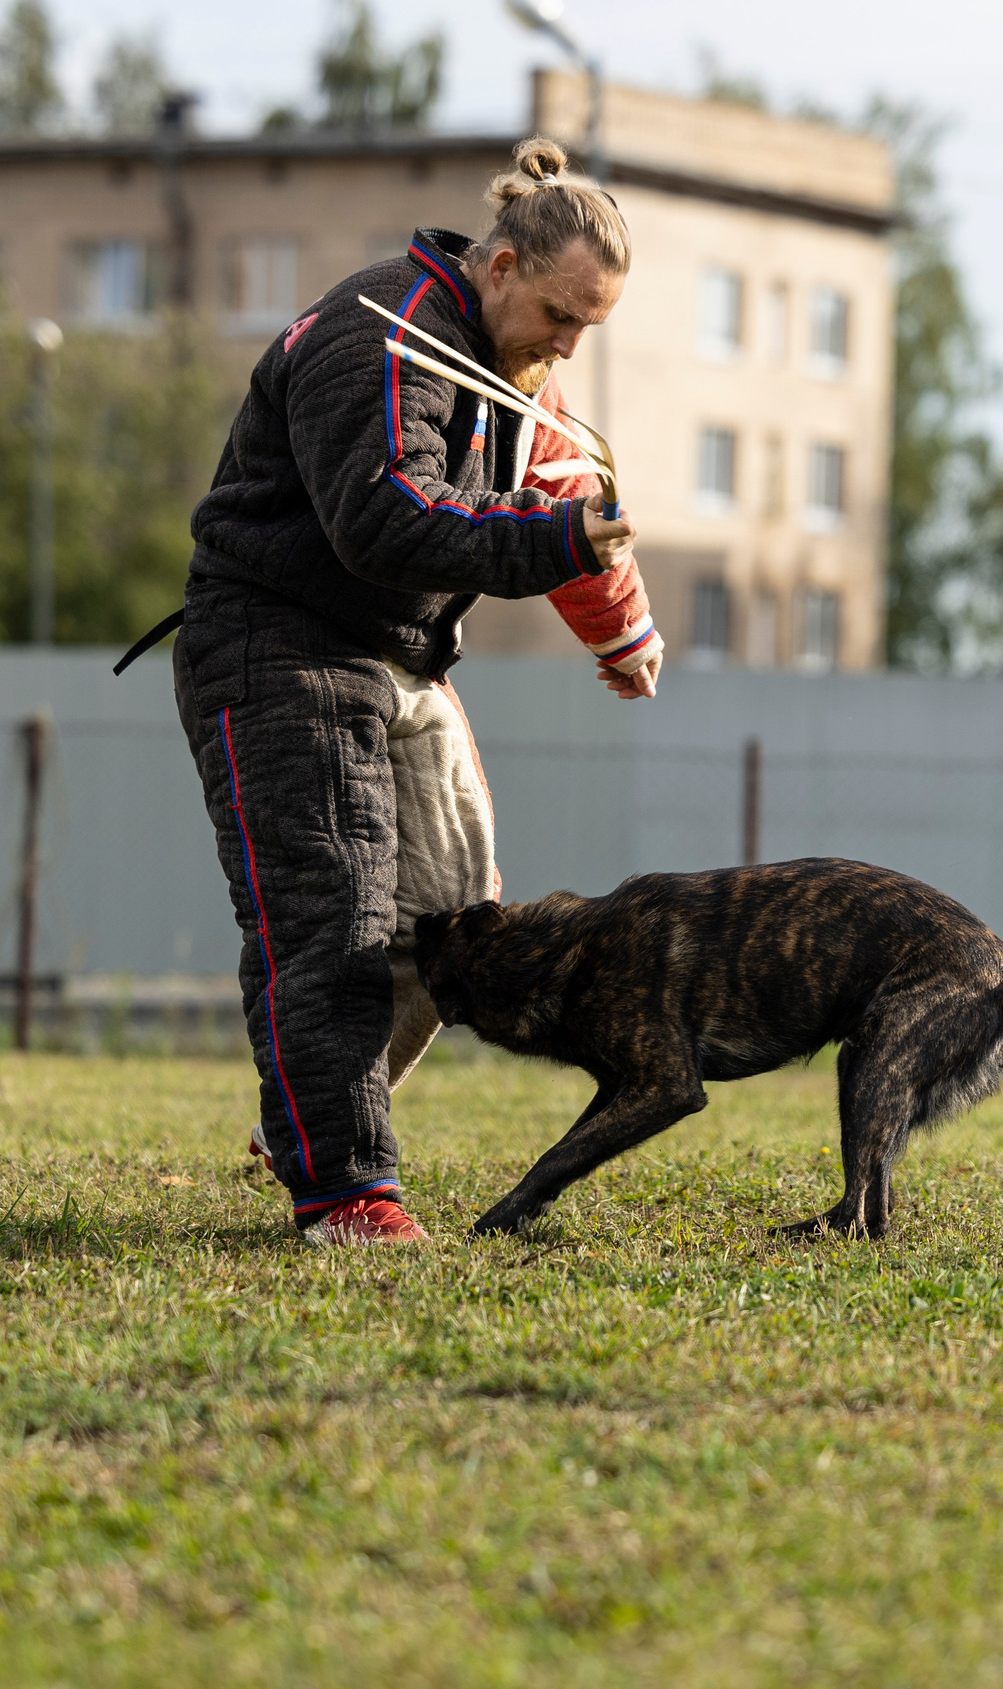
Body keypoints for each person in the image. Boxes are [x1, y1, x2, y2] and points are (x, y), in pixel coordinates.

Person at [173, 136, 658, 1247]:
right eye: (560, 316)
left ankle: (306, 1119)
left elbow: (569, 494)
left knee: (455, 929)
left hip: (399, 655)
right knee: (333, 915)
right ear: (501, 267)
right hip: (278, 644)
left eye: (588, 327)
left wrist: (624, 632)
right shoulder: (380, 334)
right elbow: (386, 518)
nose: (568, 345)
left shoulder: (511, 365)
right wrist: (554, 542)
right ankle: (343, 1190)